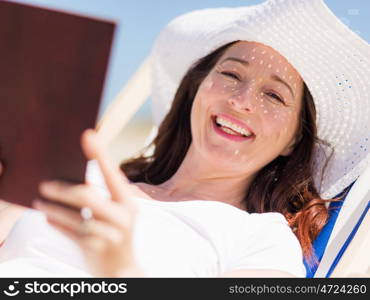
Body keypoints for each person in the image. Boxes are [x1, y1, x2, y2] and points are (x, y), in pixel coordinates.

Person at [0, 0, 369, 277]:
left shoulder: (261, 241)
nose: (241, 102)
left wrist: (120, 271)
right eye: (230, 74)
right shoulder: (80, 176)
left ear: (293, 141)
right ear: (196, 88)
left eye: (274, 96)